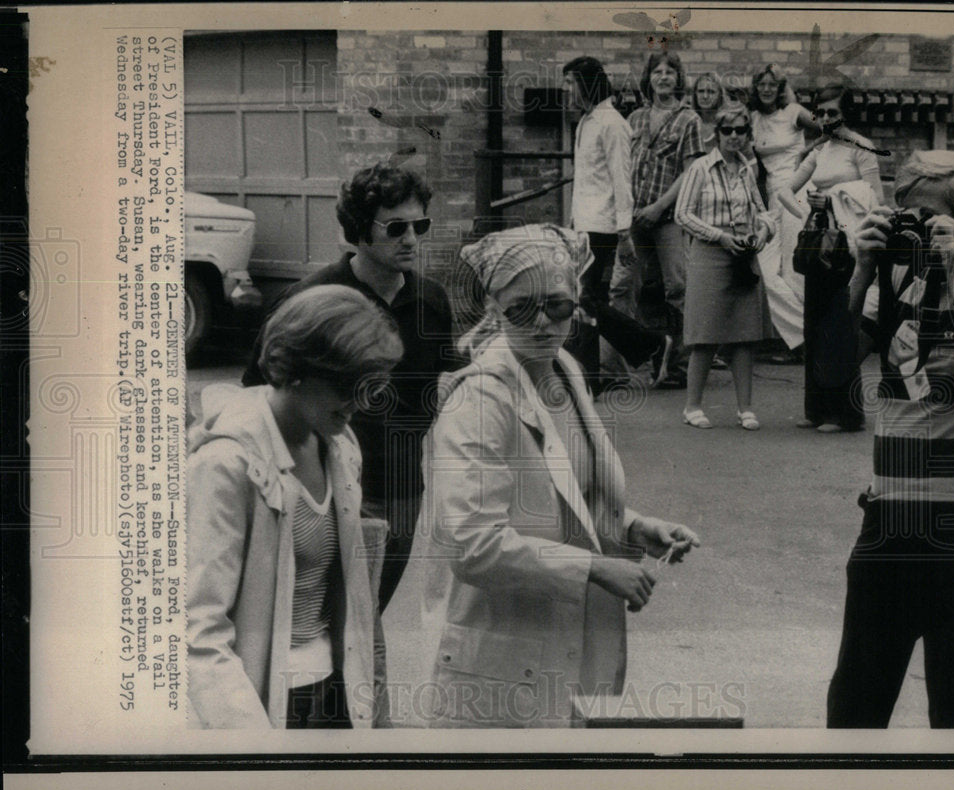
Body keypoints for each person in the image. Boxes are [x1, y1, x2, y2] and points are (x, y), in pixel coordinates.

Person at [415, 224, 700, 727]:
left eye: (558, 306)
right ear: (495, 309)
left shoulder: (564, 369)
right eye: (520, 309)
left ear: (577, 304)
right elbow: (471, 543)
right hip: (501, 654)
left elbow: (566, 493)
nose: (542, 323)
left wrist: (635, 527)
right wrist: (593, 567)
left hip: (564, 642)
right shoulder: (480, 399)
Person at [827, 151, 954, 728]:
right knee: (855, 701)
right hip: (890, 516)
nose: (915, 228)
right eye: (906, 214)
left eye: (930, 218)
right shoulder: (895, 272)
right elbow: (831, 373)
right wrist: (862, 269)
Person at [243, 163, 463, 613]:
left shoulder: (432, 300)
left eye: (419, 225)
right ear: (360, 230)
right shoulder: (314, 299)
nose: (411, 239)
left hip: (402, 487)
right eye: (395, 227)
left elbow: (447, 377)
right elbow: (256, 392)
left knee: (367, 621)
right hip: (326, 482)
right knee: (316, 621)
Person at [188, 285, 404, 728]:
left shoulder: (341, 445)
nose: (359, 405)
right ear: (298, 369)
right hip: (261, 701)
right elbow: (199, 631)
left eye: (371, 388)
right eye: (347, 387)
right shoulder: (226, 463)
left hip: (335, 694)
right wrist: (253, 750)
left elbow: (355, 605)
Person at [562, 55, 672, 392]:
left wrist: (624, 234)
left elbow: (622, 182)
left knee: (585, 300)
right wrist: (572, 223)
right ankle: (596, 373)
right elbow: (585, 181)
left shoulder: (612, 123)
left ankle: (649, 345)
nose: (567, 90)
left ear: (588, 83)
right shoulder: (587, 122)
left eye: (571, 83)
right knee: (588, 300)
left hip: (605, 227)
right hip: (584, 225)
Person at [777, 85, 884, 433]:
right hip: (821, 245)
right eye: (820, 113)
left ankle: (844, 414)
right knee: (815, 322)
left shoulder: (862, 147)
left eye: (832, 113)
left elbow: (876, 200)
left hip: (850, 247)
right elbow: (784, 190)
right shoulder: (820, 149)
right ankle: (816, 409)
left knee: (840, 326)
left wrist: (837, 203)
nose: (825, 119)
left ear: (846, 114)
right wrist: (808, 210)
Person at [675, 104, 776, 431]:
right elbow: (683, 214)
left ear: (748, 135)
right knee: (705, 334)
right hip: (710, 254)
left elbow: (763, 211)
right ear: (716, 135)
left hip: (743, 256)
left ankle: (745, 408)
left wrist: (762, 232)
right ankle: (692, 406)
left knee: (744, 336)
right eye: (727, 131)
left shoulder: (749, 169)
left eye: (740, 131)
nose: (734, 137)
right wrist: (719, 236)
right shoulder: (701, 169)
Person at [627, 53, 705, 389]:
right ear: (648, 78)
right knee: (648, 289)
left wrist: (660, 206)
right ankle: (656, 355)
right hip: (636, 214)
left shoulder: (689, 120)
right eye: (657, 72)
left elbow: (691, 172)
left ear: (678, 78)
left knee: (678, 288)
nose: (663, 77)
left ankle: (680, 366)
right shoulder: (635, 118)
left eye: (669, 72)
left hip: (668, 215)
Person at [749, 64, 822, 360]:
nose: (767, 89)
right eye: (761, 84)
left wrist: (808, 152)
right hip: (772, 201)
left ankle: (806, 344)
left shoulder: (793, 112)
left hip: (798, 193)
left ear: (780, 88)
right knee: (762, 270)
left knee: (795, 271)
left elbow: (831, 127)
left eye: (772, 85)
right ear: (755, 88)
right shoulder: (752, 118)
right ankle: (804, 336)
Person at [691, 72, 725, 153]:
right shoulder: (689, 123)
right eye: (701, 91)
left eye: (711, 92)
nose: (705, 96)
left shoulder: (726, 124)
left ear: (720, 95)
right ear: (695, 94)